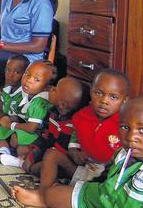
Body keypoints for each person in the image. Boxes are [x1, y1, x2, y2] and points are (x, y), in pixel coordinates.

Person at [13, 69, 129, 207]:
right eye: (99, 93)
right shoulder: (83, 115)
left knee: (70, 194)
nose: (104, 101)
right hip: (82, 169)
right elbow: (75, 135)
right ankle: (43, 194)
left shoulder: (125, 124)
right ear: (91, 91)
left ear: (124, 100)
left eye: (113, 97)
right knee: (51, 155)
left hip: (102, 180)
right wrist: (74, 152)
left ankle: (59, 194)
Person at [40, 96, 143, 208]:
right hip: (102, 198)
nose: (131, 137)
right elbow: (105, 179)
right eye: (125, 127)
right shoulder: (121, 153)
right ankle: (41, 197)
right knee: (51, 194)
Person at [0, 77, 89, 170]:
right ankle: (19, 159)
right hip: (46, 146)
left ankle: (20, 163)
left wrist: (33, 156)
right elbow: (45, 138)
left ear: (62, 104)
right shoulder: (54, 113)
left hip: (55, 155)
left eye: (55, 90)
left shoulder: (69, 126)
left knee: (38, 167)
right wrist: (33, 152)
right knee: (22, 150)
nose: (51, 89)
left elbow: (57, 149)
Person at [0, 60, 56, 161]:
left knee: (20, 146)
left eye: (37, 79)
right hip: (30, 133)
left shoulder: (39, 102)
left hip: (41, 137)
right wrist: (9, 120)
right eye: (27, 74)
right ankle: (3, 152)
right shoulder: (28, 94)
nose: (28, 80)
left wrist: (10, 125)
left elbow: (31, 128)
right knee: (2, 130)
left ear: (46, 87)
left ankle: (17, 162)